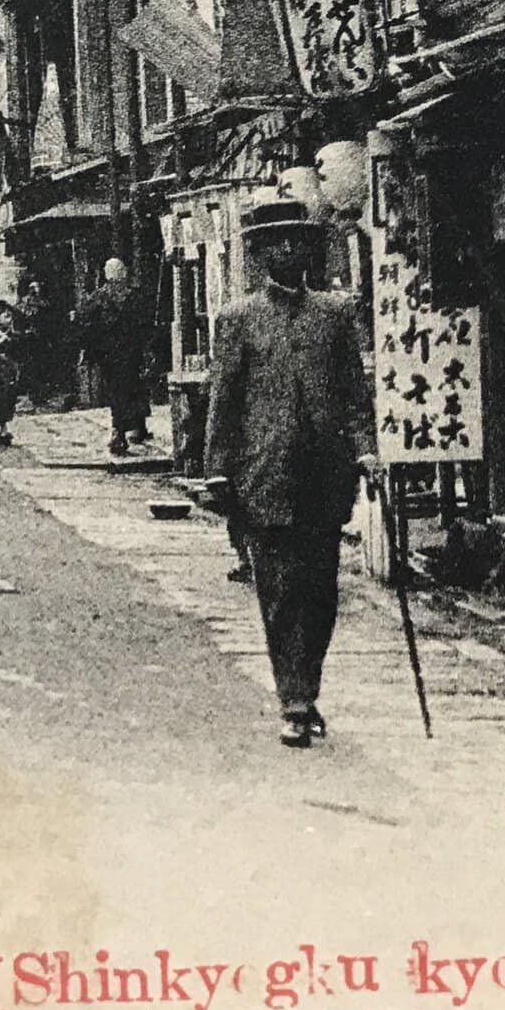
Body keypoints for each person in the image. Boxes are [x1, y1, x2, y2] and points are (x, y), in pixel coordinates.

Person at [203, 214, 378, 749]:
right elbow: (224, 400)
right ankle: (294, 701)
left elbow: (354, 392)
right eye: (275, 242)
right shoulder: (239, 319)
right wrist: (217, 468)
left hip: (325, 476)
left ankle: (309, 688)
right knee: (279, 592)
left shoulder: (335, 315)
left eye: (297, 241)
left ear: (310, 250)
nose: (287, 250)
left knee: (321, 593)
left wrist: (367, 449)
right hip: (265, 477)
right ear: (259, 254)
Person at [76, 257, 145, 457]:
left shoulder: (98, 298)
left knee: (118, 392)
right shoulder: (131, 297)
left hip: (110, 355)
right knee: (128, 390)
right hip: (127, 354)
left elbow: (86, 326)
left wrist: (88, 350)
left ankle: (120, 430)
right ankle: (125, 428)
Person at [0, 290, 22, 448]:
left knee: (9, 397)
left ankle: (1, 425)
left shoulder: (13, 336)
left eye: (10, 316)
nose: (9, 319)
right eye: (5, 316)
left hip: (9, 370)